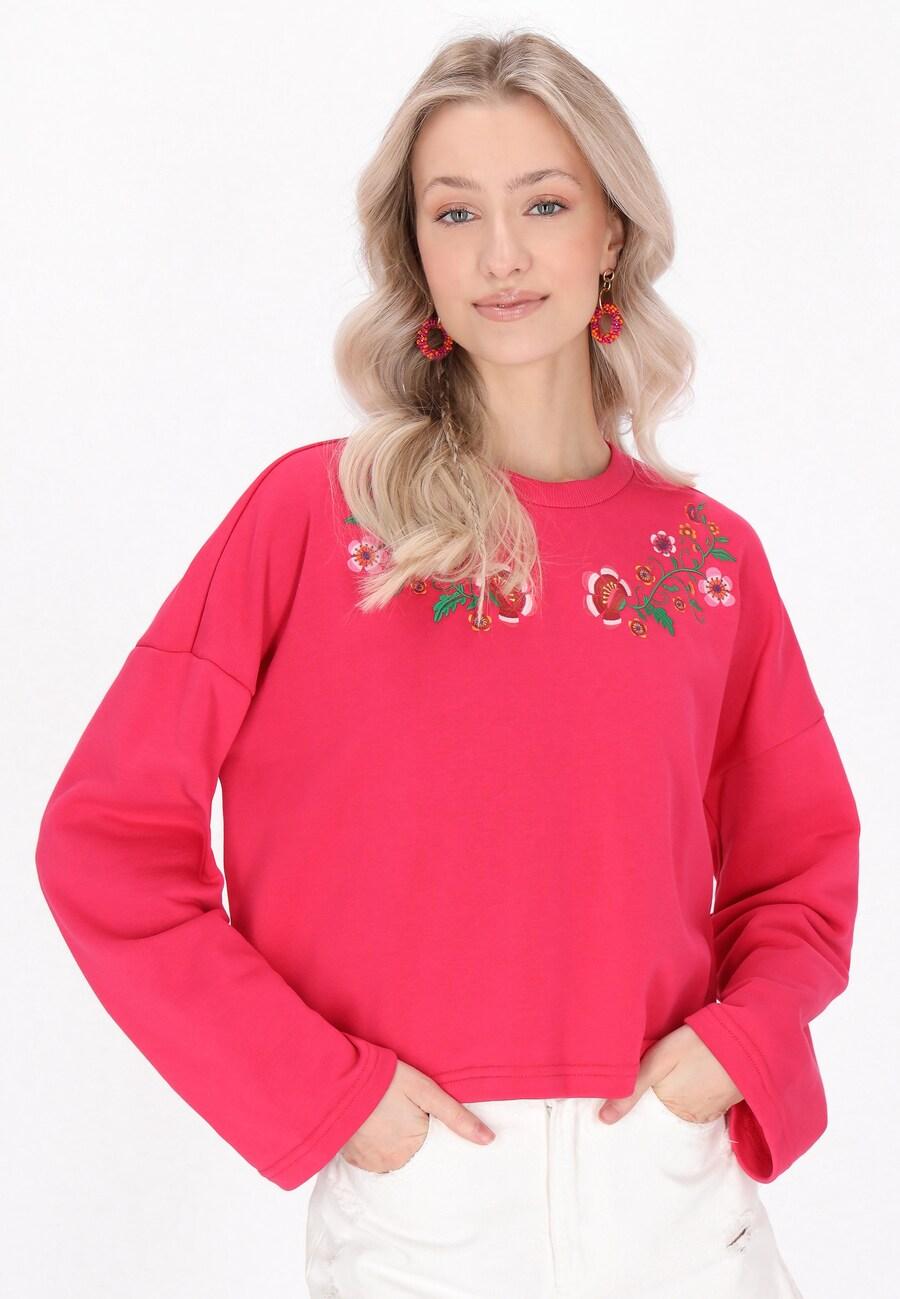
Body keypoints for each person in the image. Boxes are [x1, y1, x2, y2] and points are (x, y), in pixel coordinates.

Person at [35, 28, 859, 1299]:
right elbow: (107, 841)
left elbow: (801, 873)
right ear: (415, 252)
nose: (502, 254)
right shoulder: (312, 519)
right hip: (424, 1216)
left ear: (613, 234)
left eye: (546, 203)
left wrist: (730, 1054)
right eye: (456, 212)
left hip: (681, 1206)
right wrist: (332, 1097)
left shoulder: (709, 559)